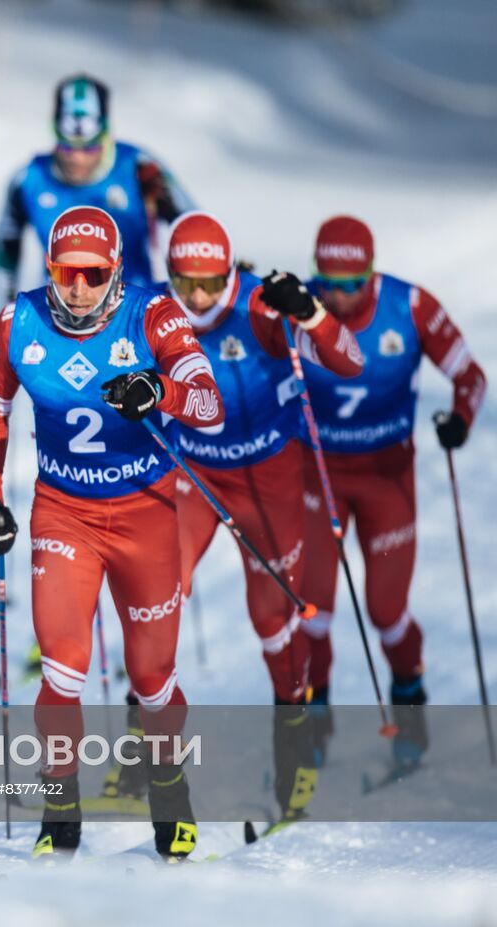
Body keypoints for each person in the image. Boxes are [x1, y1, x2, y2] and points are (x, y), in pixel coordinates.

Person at [0, 205, 224, 861]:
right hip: (64, 513)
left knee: (153, 678)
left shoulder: (153, 314)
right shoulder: (18, 321)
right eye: (64, 272)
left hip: (145, 511)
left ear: (115, 272)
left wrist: (158, 387)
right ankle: (61, 809)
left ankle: (169, 790)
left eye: (93, 274)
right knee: (62, 667)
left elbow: (208, 402)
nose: (77, 288)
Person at [161, 211, 363, 822]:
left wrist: (312, 313)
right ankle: (145, 751)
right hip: (195, 474)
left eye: (210, 281)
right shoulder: (155, 310)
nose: (197, 297)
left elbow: (350, 361)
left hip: (267, 479)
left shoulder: (260, 309)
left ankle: (294, 745)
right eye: (184, 281)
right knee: (155, 594)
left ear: (229, 271)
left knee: (273, 619)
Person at [296, 216, 485, 765]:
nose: (337, 294)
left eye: (352, 283)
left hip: (385, 478)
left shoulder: (411, 306)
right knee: (313, 608)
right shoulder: (299, 307)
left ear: (372, 275)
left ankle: (409, 699)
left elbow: (470, 375)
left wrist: (461, 420)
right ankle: (314, 719)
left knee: (386, 609)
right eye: (326, 280)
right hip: (319, 473)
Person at [0, 74, 191, 302]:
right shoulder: (29, 179)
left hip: (134, 314)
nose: (77, 159)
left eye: (89, 150)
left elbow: (194, 227)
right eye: (67, 149)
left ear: (105, 137)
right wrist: (7, 311)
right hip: (61, 317)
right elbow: (5, 251)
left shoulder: (138, 167)